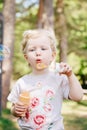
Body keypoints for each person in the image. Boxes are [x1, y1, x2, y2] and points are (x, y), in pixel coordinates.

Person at [7, 29, 83, 130]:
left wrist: (70, 75)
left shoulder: (58, 78)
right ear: (26, 57)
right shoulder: (22, 83)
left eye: (43, 49)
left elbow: (78, 97)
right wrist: (15, 110)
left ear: (52, 55)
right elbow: (13, 108)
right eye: (32, 50)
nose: (38, 53)